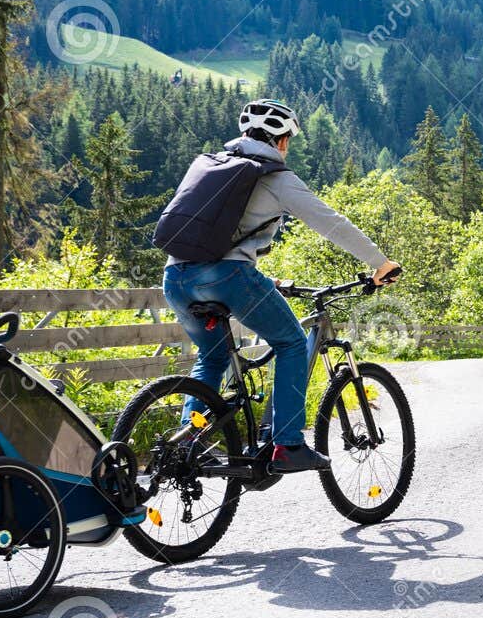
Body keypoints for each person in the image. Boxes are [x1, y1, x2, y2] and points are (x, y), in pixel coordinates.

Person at [163, 98, 401, 474]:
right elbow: (331, 223)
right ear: (282, 140)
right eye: (289, 138)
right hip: (227, 277)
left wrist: (252, 276)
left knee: (212, 357)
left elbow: (208, 232)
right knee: (290, 341)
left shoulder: (212, 165)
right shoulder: (275, 177)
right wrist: (380, 263)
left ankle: (191, 441)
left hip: (175, 277)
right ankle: (288, 444)